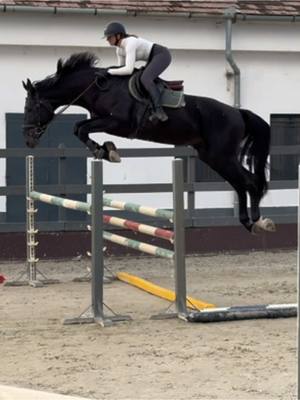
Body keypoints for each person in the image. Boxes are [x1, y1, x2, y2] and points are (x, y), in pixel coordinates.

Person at [103, 21, 171, 122]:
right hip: (152, 58)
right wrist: (108, 72)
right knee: (139, 79)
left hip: (162, 54)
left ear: (118, 36)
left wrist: (108, 71)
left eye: (109, 37)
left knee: (145, 78)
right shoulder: (119, 50)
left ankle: (159, 111)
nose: (107, 40)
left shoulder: (130, 42)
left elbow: (128, 70)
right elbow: (120, 69)